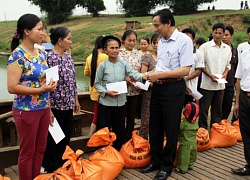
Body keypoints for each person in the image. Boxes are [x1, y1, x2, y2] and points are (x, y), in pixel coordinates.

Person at [139, 9, 194, 180]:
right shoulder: (161, 42)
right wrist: (150, 74)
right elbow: (162, 67)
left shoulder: (184, 41)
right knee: (155, 126)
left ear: (168, 23)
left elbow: (185, 69)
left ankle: (166, 166)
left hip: (173, 88)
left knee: (170, 128)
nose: (155, 29)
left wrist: (158, 75)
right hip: (158, 88)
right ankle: (155, 161)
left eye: (157, 25)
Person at [7, 13, 57, 180]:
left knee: (40, 149)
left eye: (43, 28)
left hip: (43, 108)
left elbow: (43, 82)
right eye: (39, 28)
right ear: (27, 31)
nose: (43, 31)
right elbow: (12, 87)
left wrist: (48, 107)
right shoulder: (17, 55)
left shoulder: (41, 53)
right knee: (27, 152)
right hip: (26, 110)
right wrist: (40, 89)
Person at [94, 35, 144, 151]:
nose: (115, 50)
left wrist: (145, 77)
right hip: (106, 103)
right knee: (104, 131)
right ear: (106, 50)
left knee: (119, 130)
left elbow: (133, 74)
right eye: (112, 48)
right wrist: (106, 92)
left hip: (120, 103)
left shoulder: (124, 64)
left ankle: (117, 153)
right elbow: (96, 84)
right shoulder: (102, 66)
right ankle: (103, 154)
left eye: (117, 48)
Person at [42, 26, 80, 173]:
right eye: (68, 39)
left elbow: (73, 81)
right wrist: (49, 108)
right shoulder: (49, 58)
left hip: (69, 103)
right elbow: (46, 85)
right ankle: (51, 166)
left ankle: (63, 161)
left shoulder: (69, 57)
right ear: (59, 41)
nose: (71, 41)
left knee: (65, 135)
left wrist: (76, 100)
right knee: (53, 137)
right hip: (55, 105)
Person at [198, 23, 231, 130]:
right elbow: (200, 65)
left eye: (220, 33)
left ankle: (215, 130)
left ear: (223, 34)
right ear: (212, 33)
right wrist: (210, 75)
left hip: (220, 85)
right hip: (207, 84)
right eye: (215, 33)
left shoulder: (227, 48)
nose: (217, 35)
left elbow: (228, 65)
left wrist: (225, 73)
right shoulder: (205, 47)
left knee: (217, 109)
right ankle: (202, 130)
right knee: (204, 108)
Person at [118, 30, 143, 142]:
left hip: (134, 90)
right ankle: (119, 139)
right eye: (129, 40)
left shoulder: (139, 54)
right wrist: (125, 78)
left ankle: (128, 139)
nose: (132, 43)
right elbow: (116, 70)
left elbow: (141, 71)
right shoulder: (119, 53)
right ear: (123, 41)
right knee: (120, 116)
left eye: (134, 40)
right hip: (121, 90)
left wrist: (137, 81)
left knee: (131, 117)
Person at [231, 47, 250, 176]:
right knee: (246, 133)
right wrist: (237, 102)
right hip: (245, 97)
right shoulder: (245, 53)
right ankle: (249, 165)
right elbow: (238, 80)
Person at [84, 36, 108, 137]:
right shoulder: (105, 57)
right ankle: (91, 136)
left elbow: (86, 73)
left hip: (94, 91)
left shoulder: (89, 57)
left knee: (97, 113)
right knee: (100, 116)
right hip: (104, 91)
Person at [139, 33, 160, 140]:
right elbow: (143, 75)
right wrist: (152, 81)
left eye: (159, 42)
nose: (156, 45)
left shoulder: (166, 57)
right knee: (146, 121)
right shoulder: (147, 57)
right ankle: (142, 143)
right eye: (154, 43)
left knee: (160, 120)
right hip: (149, 92)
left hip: (163, 93)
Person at [181, 28, 205, 106]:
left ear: (193, 39)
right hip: (178, 87)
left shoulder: (198, 54)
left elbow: (198, 72)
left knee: (190, 111)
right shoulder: (177, 52)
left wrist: (185, 79)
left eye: (188, 38)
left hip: (191, 88)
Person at [175, 102, 199, 174]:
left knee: (184, 157)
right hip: (194, 143)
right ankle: (190, 165)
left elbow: (178, 129)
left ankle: (183, 169)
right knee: (192, 155)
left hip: (185, 144)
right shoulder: (195, 123)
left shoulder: (183, 123)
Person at [221, 25, 238, 121]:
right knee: (217, 106)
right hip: (219, 83)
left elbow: (237, 68)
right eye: (223, 34)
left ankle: (223, 124)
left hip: (230, 84)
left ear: (231, 36)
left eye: (226, 35)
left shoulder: (235, 51)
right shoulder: (218, 49)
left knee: (227, 106)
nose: (224, 37)